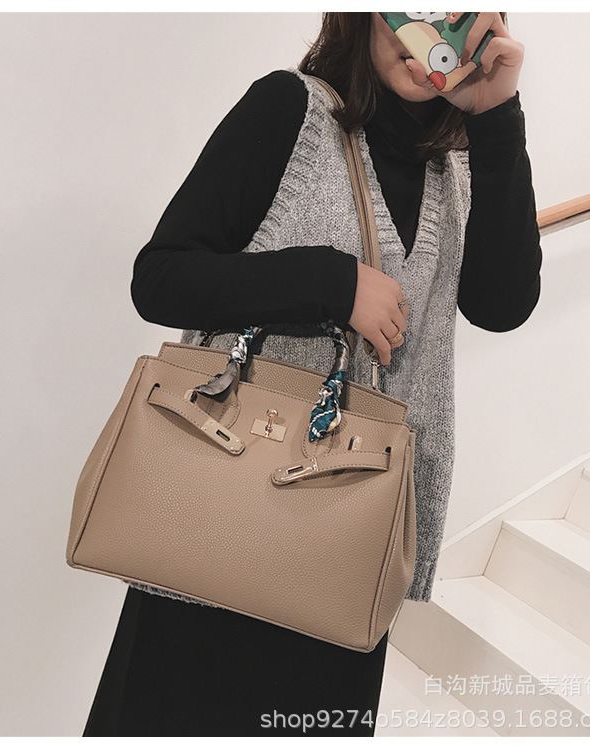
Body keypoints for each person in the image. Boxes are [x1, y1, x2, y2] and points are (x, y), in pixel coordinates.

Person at [83, 12, 541, 737]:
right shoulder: (288, 111)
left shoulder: (460, 168)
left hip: (351, 546)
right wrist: (330, 283)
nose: (425, 33)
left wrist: (496, 114)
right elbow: (161, 278)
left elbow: (504, 304)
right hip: (215, 519)